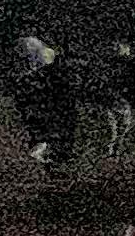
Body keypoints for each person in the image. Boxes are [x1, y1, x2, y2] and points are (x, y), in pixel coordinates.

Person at [5, 34, 79, 167]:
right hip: (45, 96)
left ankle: (52, 151)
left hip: (46, 96)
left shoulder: (39, 59)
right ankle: (52, 151)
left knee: (48, 125)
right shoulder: (42, 56)